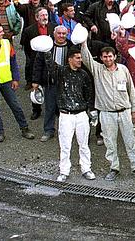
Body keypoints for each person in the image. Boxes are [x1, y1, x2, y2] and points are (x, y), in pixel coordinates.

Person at [81, 40, 135, 181]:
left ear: (115, 56)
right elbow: (86, 59)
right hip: (106, 113)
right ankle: (114, 168)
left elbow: (131, 90)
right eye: (105, 57)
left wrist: (134, 110)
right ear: (101, 58)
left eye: (110, 56)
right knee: (110, 143)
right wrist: (83, 43)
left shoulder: (123, 69)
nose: (108, 59)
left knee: (130, 141)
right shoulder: (97, 69)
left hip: (125, 111)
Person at [0, 24, 35, 142]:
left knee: (15, 106)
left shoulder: (7, 43)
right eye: (0, 31)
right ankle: (0, 132)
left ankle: (25, 128)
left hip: (6, 81)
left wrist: (15, 78)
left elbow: (13, 62)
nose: (3, 33)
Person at [54, 45, 97, 182]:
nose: (80, 60)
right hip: (65, 115)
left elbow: (89, 94)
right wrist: (45, 51)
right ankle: (64, 171)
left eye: (81, 58)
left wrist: (92, 110)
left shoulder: (84, 75)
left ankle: (86, 168)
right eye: (77, 58)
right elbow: (50, 66)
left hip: (81, 114)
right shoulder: (61, 72)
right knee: (65, 145)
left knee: (84, 144)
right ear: (70, 59)